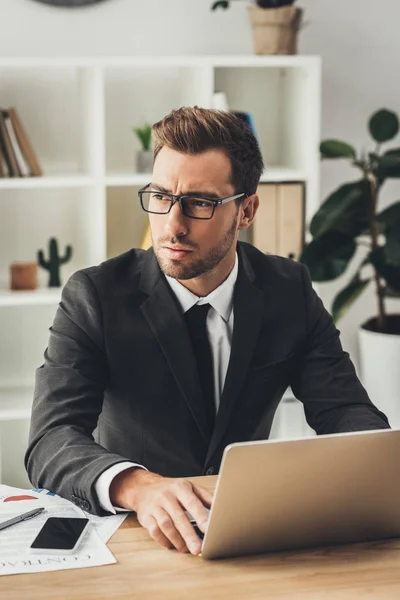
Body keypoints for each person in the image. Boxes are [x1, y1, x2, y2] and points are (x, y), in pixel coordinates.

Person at [25, 107, 390, 557]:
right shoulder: (95, 295)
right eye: (160, 197)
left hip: (249, 533)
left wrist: (371, 470)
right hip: (134, 536)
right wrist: (138, 487)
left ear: (247, 211)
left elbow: (345, 411)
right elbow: (51, 438)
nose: (172, 225)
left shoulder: (288, 290)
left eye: (200, 203)